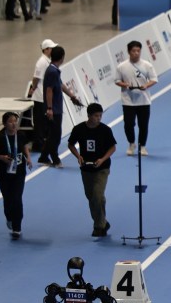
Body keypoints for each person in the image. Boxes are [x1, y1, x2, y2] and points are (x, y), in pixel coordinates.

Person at [68, 103, 116, 237]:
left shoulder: (105, 130)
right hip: (86, 168)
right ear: (89, 115)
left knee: (98, 195)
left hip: (102, 168)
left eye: (100, 115)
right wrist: (78, 156)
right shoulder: (79, 129)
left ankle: (98, 226)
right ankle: (103, 222)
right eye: (96, 116)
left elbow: (113, 147)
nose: (99, 118)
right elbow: (71, 144)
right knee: (91, 197)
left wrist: (102, 159)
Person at [0, 111, 32, 239]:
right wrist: (2, 157)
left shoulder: (21, 135)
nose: (14, 124)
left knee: (17, 198)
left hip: (19, 173)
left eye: (15, 121)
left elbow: (24, 147)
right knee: (8, 199)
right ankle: (9, 217)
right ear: (5, 124)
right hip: (4, 174)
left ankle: (17, 228)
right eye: (10, 121)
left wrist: (28, 158)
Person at [42, 45, 83, 167]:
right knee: (55, 135)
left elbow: (60, 85)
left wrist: (72, 96)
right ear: (62, 57)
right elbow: (49, 90)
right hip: (53, 109)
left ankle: (43, 156)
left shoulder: (54, 70)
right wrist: (49, 108)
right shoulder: (52, 71)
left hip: (56, 107)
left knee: (54, 134)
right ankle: (55, 159)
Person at [115, 40, 157, 156]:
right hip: (128, 101)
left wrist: (146, 85)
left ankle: (142, 146)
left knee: (143, 125)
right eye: (134, 51)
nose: (136, 53)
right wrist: (125, 85)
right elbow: (117, 80)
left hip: (144, 100)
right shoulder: (122, 66)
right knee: (128, 124)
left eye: (138, 51)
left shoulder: (147, 65)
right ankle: (131, 143)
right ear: (129, 52)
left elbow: (154, 79)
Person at [28, 39, 57, 158]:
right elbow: (36, 78)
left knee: (43, 122)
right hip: (39, 96)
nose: (53, 50)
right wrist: (33, 88)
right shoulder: (41, 62)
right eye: (51, 48)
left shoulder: (47, 61)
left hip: (44, 96)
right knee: (39, 122)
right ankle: (38, 144)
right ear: (46, 49)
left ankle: (42, 142)